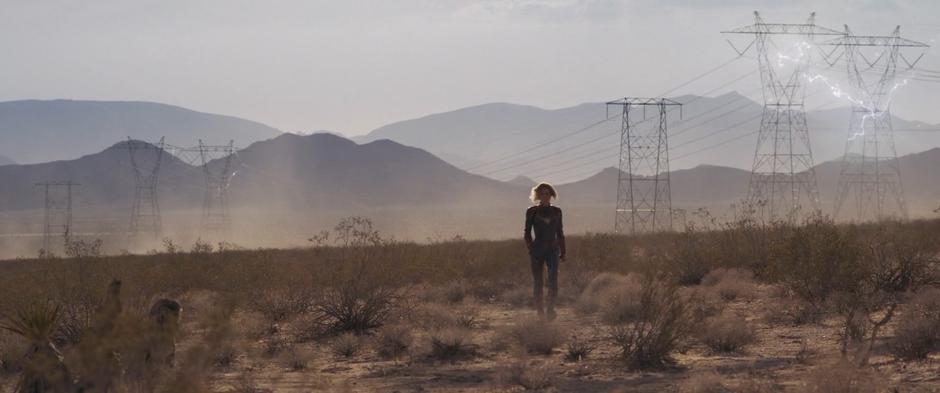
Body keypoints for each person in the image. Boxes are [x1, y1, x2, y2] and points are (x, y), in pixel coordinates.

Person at [524, 182, 566, 321]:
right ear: (538, 195)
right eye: (542, 193)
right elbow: (527, 232)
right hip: (537, 249)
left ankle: (550, 308)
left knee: (553, 279)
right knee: (538, 281)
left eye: (547, 193)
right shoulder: (532, 211)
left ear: (551, 195)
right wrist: (530, 248)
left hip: (553, 249)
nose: (545, 196)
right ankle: (540, 310)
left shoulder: (557, 211)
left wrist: (563, 251)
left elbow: (560, 232)